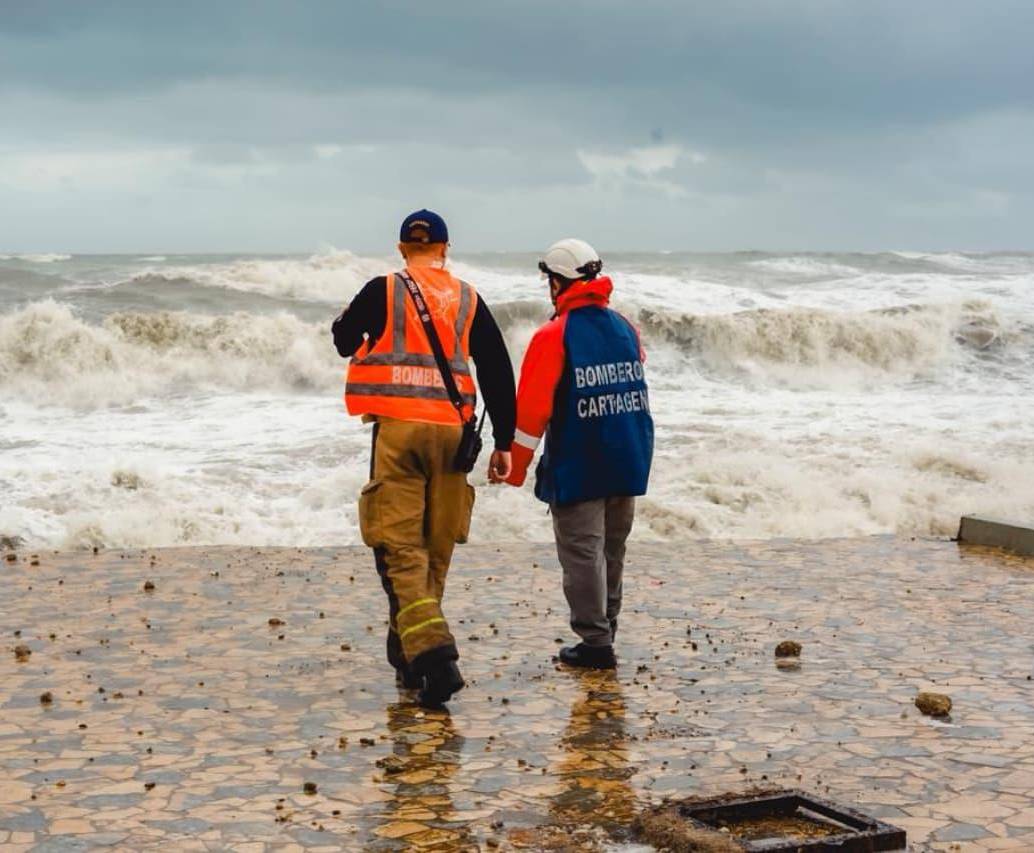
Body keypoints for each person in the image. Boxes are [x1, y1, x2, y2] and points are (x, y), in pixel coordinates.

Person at [332, 209, 515, 707]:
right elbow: (498, 370)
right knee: (436, 543)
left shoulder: (383, 290)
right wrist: (503, 442)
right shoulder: (468, 298)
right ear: (445, 249)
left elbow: (343, 340)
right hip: (453, 435)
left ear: (400, 248)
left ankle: (434, 656)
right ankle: (410, 655)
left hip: (401, 433)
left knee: (399, 545)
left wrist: (353, 327)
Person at [505, 239, 653, 669]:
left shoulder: (554, 335)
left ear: (558, 283)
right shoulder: (625, 326)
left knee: (582, 553)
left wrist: (515, 468)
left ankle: (594, 644)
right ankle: (607, 627)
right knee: (612, 550)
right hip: (628, 455)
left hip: (580, 462)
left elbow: (532, 410)